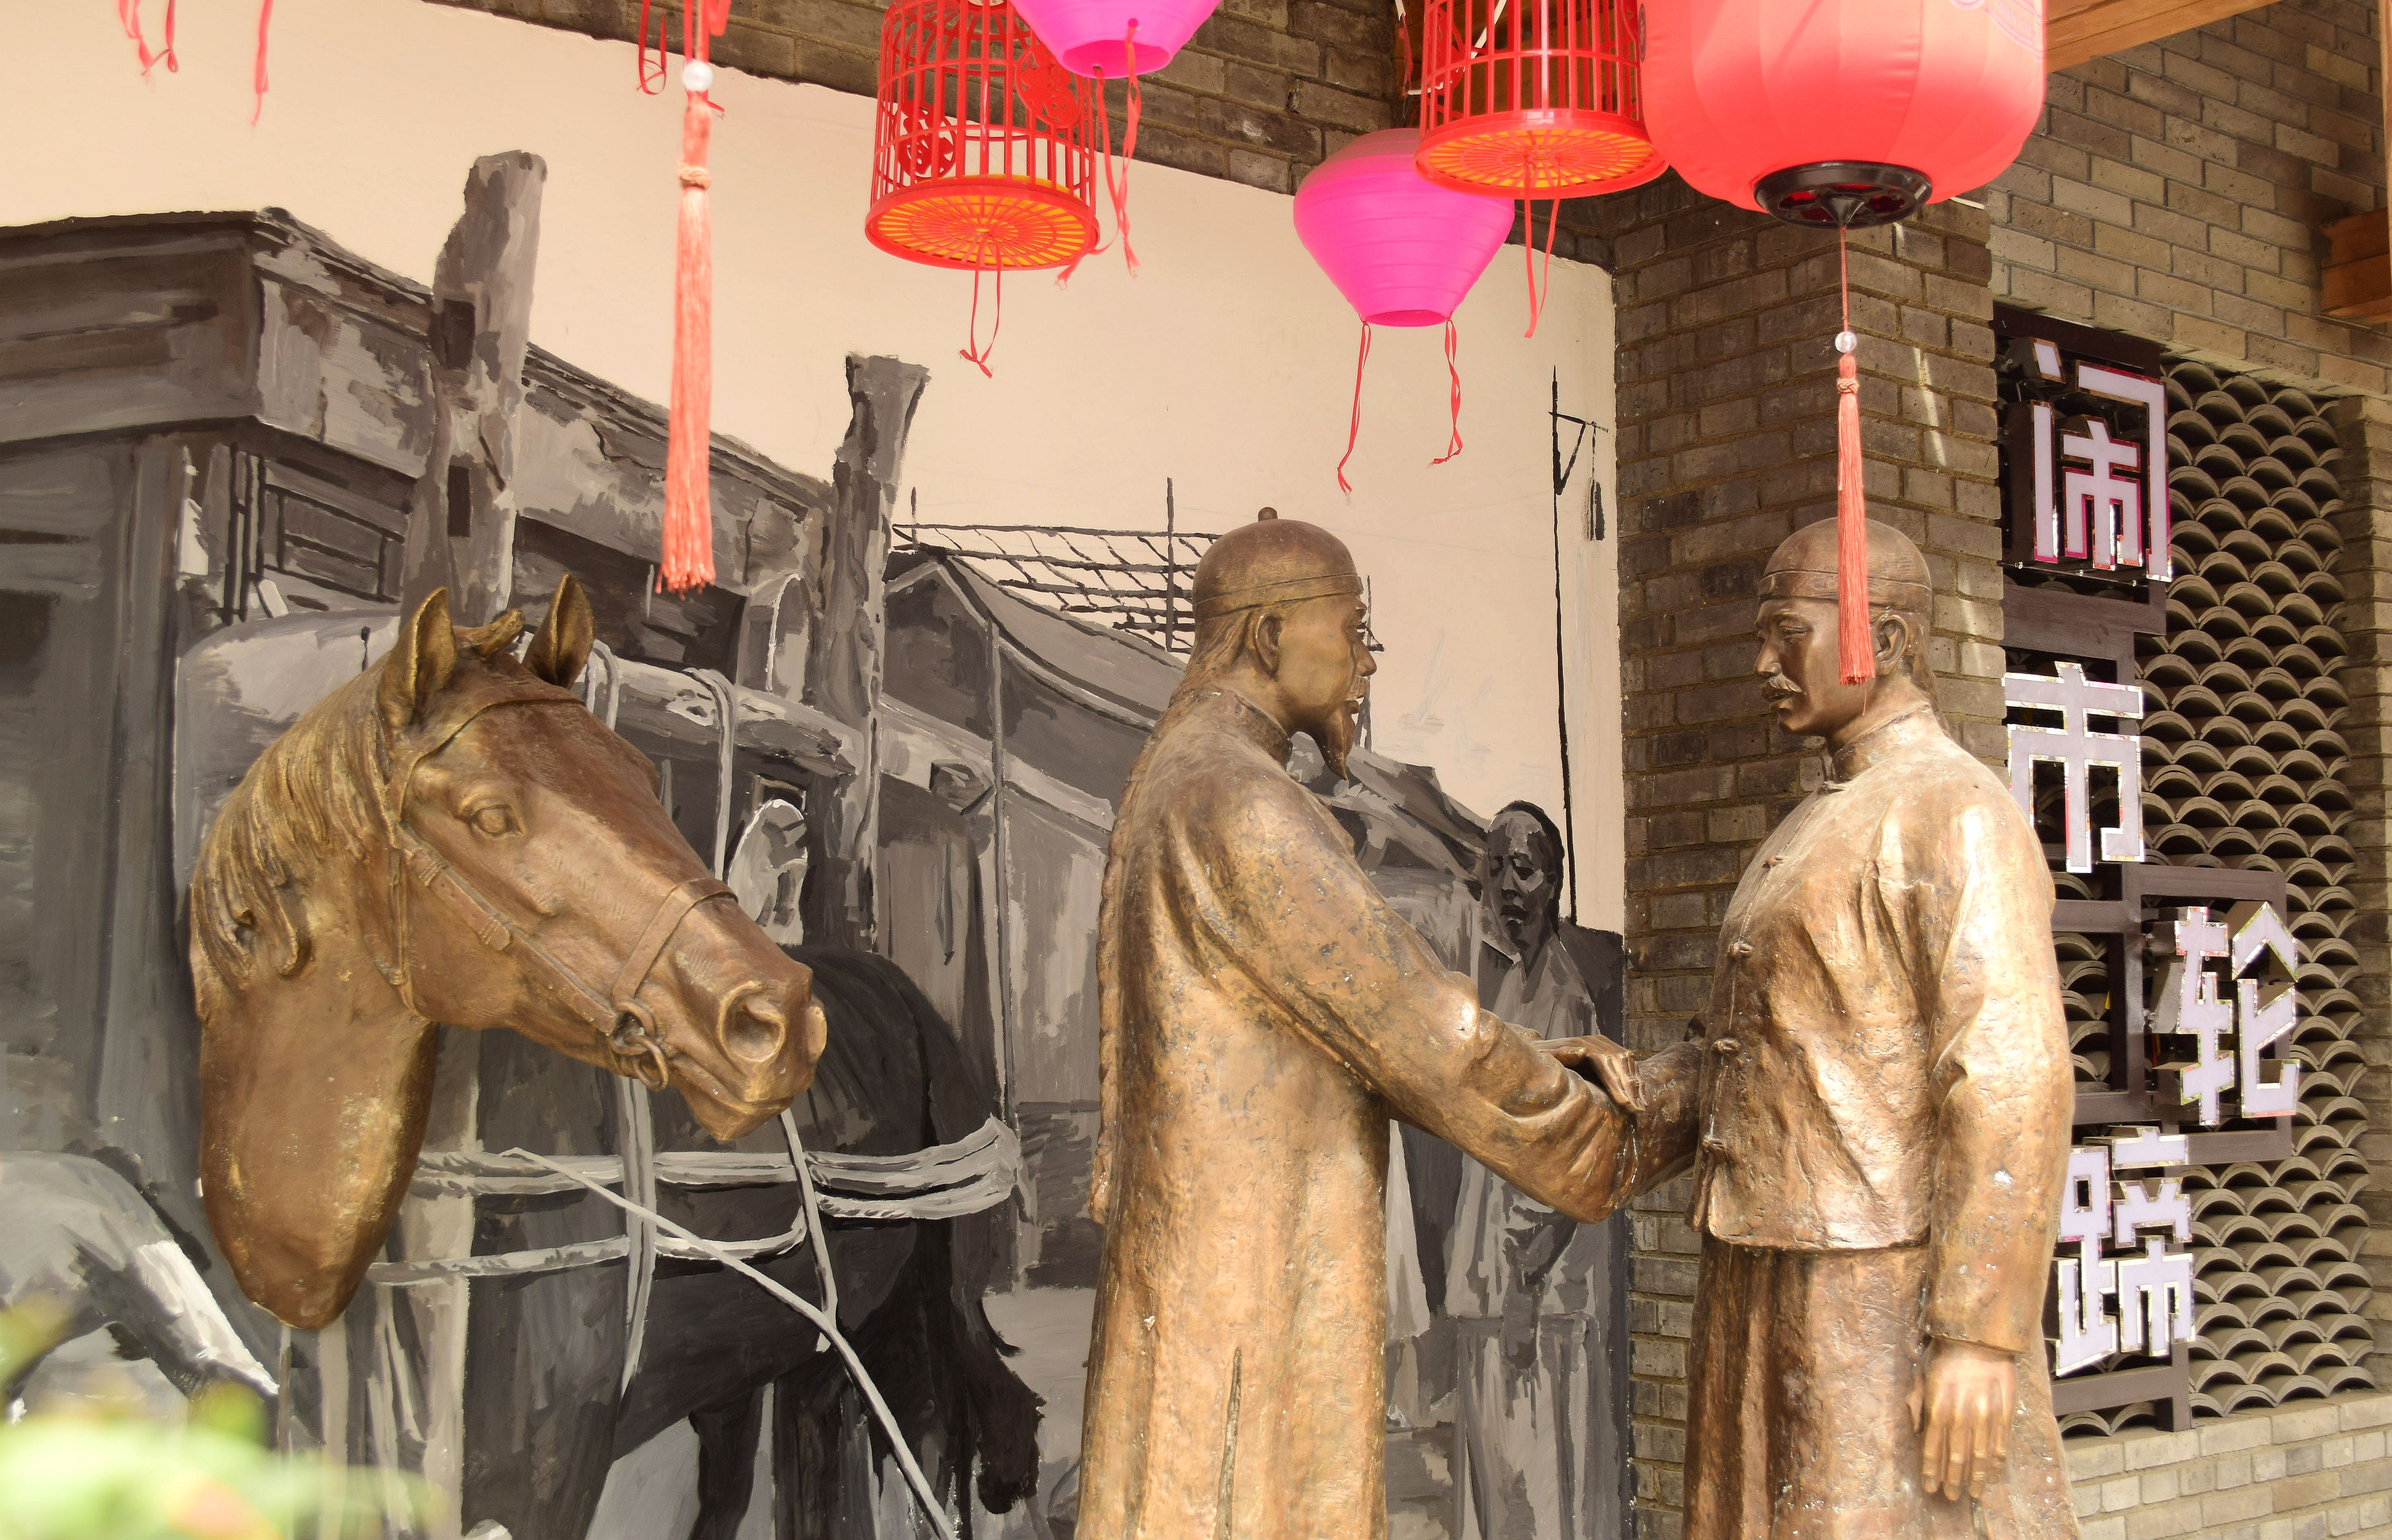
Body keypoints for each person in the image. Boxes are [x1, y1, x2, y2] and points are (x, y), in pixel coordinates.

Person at [1076, 510, 1679, 1540]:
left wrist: (1541, 1051)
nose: (1366, 661)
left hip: (1219, 1278)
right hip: (1247, 1293)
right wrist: (1637, 1129)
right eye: (1353, 631)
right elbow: (1422, 1032)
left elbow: (1371, 1017)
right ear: (1271, 635)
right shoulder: (1242, 801)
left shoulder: (1180, 776)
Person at [1547, 518, 2079, 1539]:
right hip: (1763, 1260)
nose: (1763, 662)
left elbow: (2013, 1073)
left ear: (1887, 636)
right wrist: (1636, 1093)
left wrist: (1978, 1331)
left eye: (1788, 632)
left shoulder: (1955, 811)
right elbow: (1770, 1050)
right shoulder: (1817, 818)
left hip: (1873, 1284)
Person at [1449, 801, 1620, 1540]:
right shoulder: (1503, 985)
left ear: (1553, 882)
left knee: (1537, 1490)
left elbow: (1567, 1153)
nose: (1507, 887)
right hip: (1492, 1286)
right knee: (1499, 1487)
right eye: (1495, 869)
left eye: (1523, 869)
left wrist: (1522, 1282)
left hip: (1538, 1299)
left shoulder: (1564, 996)